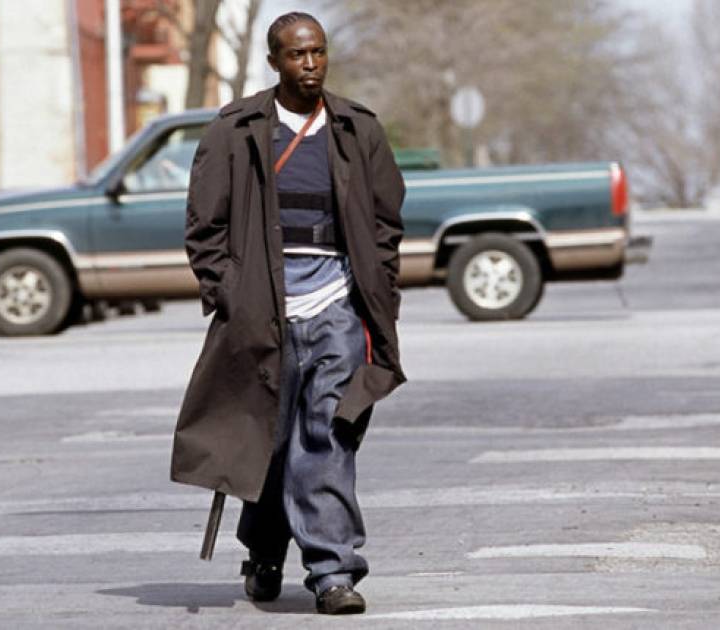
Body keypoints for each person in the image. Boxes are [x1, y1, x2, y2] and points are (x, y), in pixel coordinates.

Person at [171, 12, 406, 616]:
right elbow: (204, 228)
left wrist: (379, 295)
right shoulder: (236, 130)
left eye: (318, 52)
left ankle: (332, 573)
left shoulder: (357, 129)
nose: (310, 64)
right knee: (269, 443)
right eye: (297, 55)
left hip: (336, 308)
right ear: (273, 62)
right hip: (262, 314)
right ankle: (265, 552)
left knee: (327, 436)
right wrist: (231, 296)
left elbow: (385, 223)